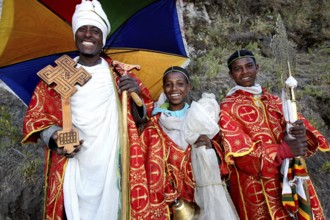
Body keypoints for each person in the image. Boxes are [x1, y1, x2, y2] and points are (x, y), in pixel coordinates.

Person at [22, 1, 153, 219]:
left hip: (112, 162)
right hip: (72, 163)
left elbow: (143, 119)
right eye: (82, 29)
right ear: (75, 34)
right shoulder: (57, 74)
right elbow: (37, 119)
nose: (88, 35)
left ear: (102, 37)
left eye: (95, 30)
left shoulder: (121, 74)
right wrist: (56, 137)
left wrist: (135, 96)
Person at [219, 49, 330, 219]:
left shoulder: (275, 100)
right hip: (256, 186)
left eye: (249, 66)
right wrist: (282, 150)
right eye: (238, 69)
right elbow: (240, 156)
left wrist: (301, 132)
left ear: (257, 67)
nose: (245, 72)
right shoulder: (227, 108)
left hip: (290, 177)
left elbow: (308, 139)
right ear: (230, 75)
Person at [139, 66, 237, 219]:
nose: (174, 88)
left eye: (180, 83)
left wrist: (212, 147)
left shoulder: (200, 119)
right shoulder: (154, 124)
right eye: (169, 84)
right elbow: (147, 163)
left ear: (188, 87)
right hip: (168, 199)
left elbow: (224, 162)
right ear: (163, 89)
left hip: (201, 196)